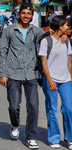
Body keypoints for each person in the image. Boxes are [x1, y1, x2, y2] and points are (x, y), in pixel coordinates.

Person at [0, 3, 46, 149]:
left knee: (33, 107)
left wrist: (62, 37)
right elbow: (2, 53)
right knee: (13, 106)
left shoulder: (37, 31)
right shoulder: (9, 30)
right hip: (13, 73)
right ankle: (15, 124)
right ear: (19, 14)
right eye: (23, 13)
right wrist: (3, 74)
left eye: (28, 14)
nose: (26, 16)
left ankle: (31, 137)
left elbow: (50, 41)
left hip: (31, 74)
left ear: (32, 16)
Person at [38, 15, 72, 149]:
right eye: (65, 25)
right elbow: (44, 63)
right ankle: (54, 138)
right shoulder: (46, 41)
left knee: (69, 108)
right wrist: (50, 80)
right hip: (51, 79)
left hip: (65, 80)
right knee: (52, 109)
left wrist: (71, 78)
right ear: (59, 26)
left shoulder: (67, 41)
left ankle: (69, 138)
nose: (67, 27)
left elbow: (69, 62)